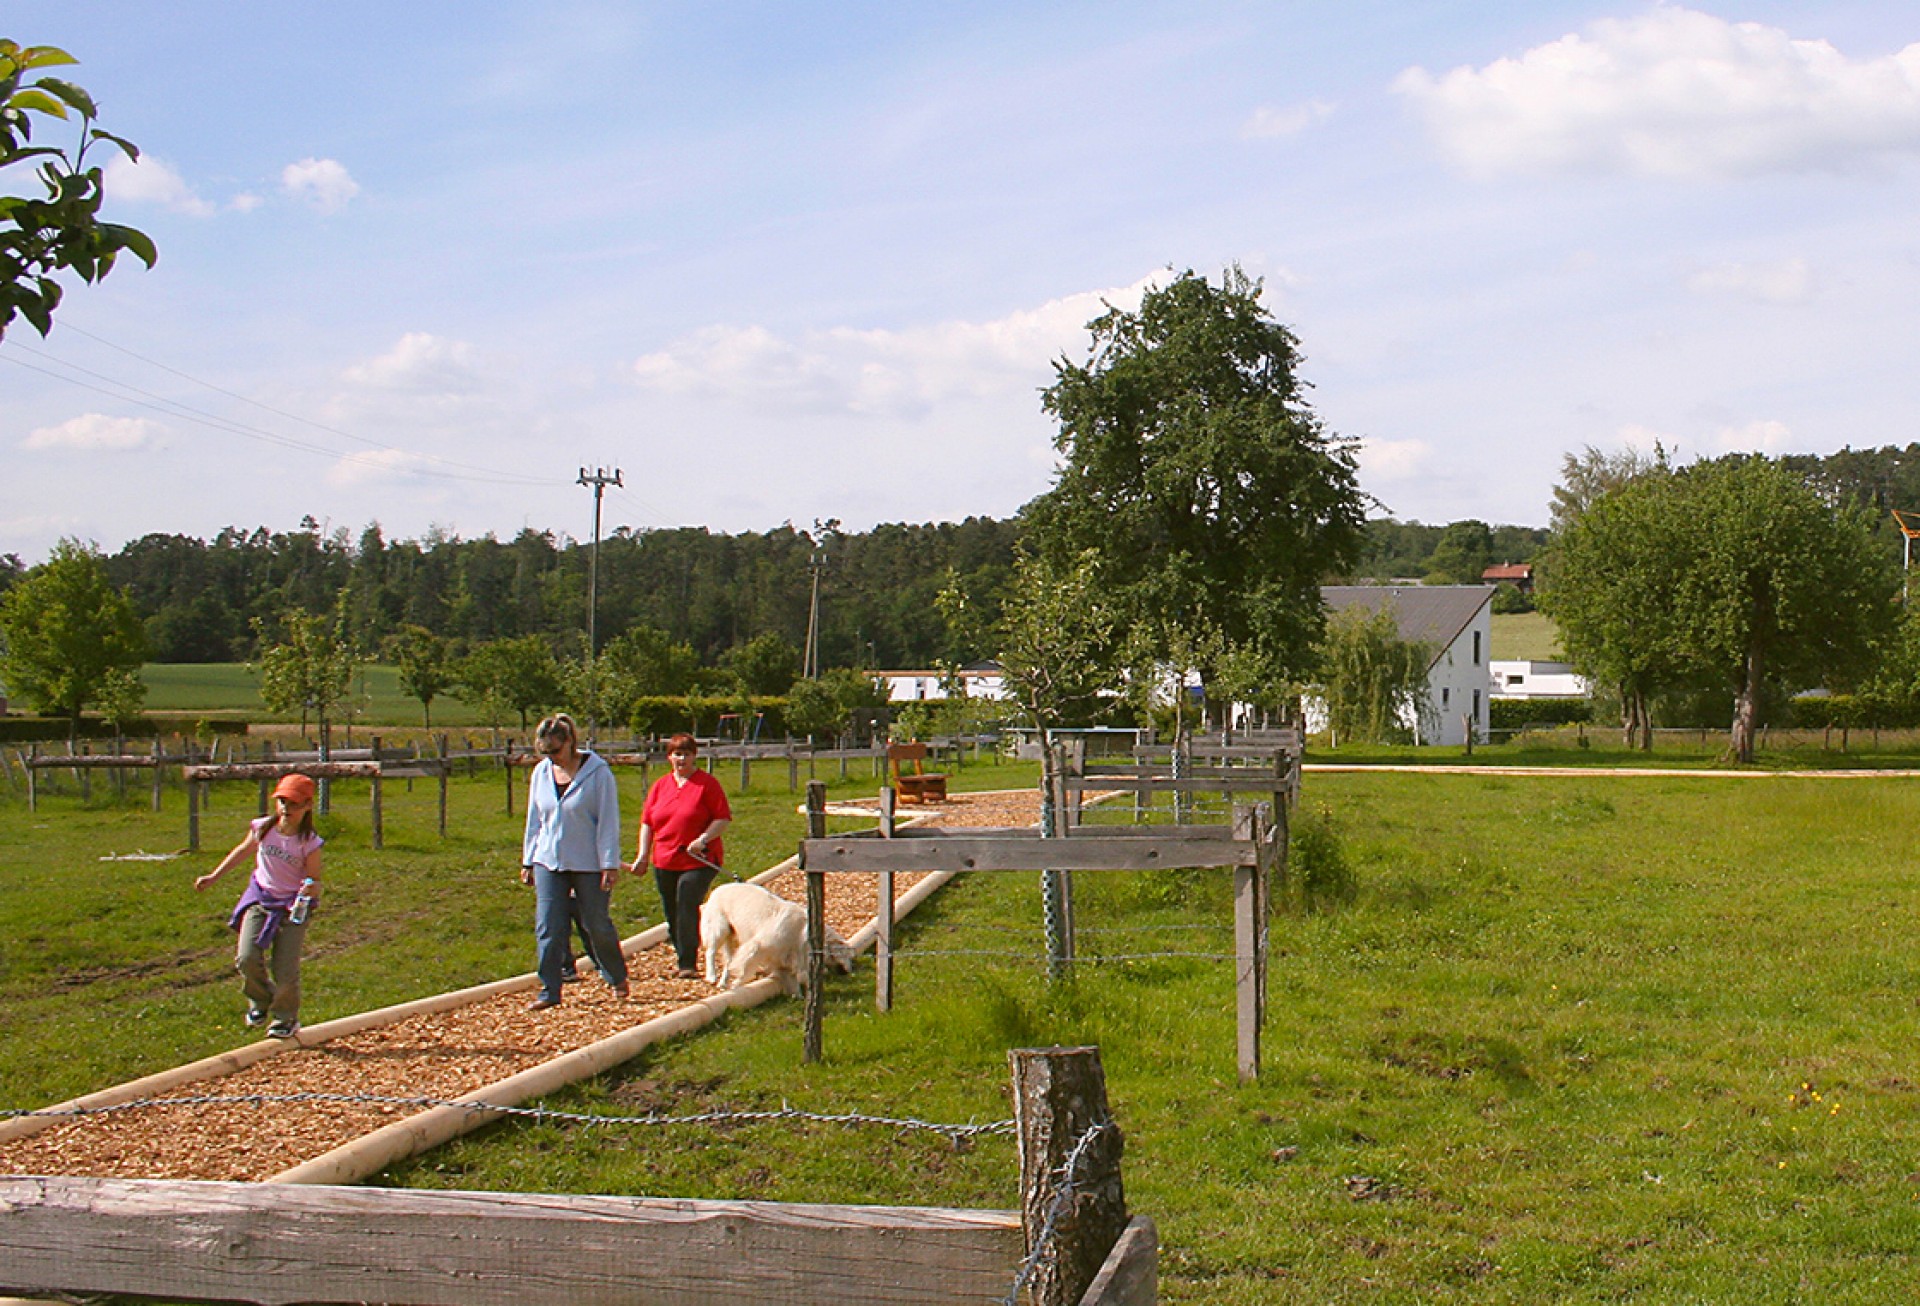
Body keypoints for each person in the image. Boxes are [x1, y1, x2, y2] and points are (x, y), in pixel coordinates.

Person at [195, 772, 324, 1040]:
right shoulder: (263, 828)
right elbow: (242, 852)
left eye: (294, 803)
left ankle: (285, 1018)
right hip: (261, 899)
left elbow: (314, 877)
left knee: (285, 968)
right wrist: (213, 877)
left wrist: (309, 888)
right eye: (282, 801)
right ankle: (260, 999)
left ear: (308, 806)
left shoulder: (309, 842)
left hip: (292, 906)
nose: (286, 808)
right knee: (246, 957)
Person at [521, 712, 630, 1010]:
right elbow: (535, 820)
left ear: (570, 742)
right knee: (548, 926)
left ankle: (615, 974)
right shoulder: (541, 774)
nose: (552, 758)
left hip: (588, 862)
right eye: (545, 753)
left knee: (596, 923)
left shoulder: (598, 773)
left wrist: (609, 863)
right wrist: (528, 860)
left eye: (555, 751)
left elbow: (608, 821)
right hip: (548, 860)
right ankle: (549, 989)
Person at [637, 732, 732, 979]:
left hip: (699, 859)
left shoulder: (706, 784)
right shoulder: (660, 786)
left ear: (694, 757)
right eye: (677, 754)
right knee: (671, 908)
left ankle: (687, 962)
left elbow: (722, 818)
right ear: (669, 757)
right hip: (665, 858)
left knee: (687, 899)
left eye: (686, 754)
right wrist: (642, 855)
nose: (682, 759)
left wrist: (702, 839)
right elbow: (648, 822)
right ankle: (681, 946)